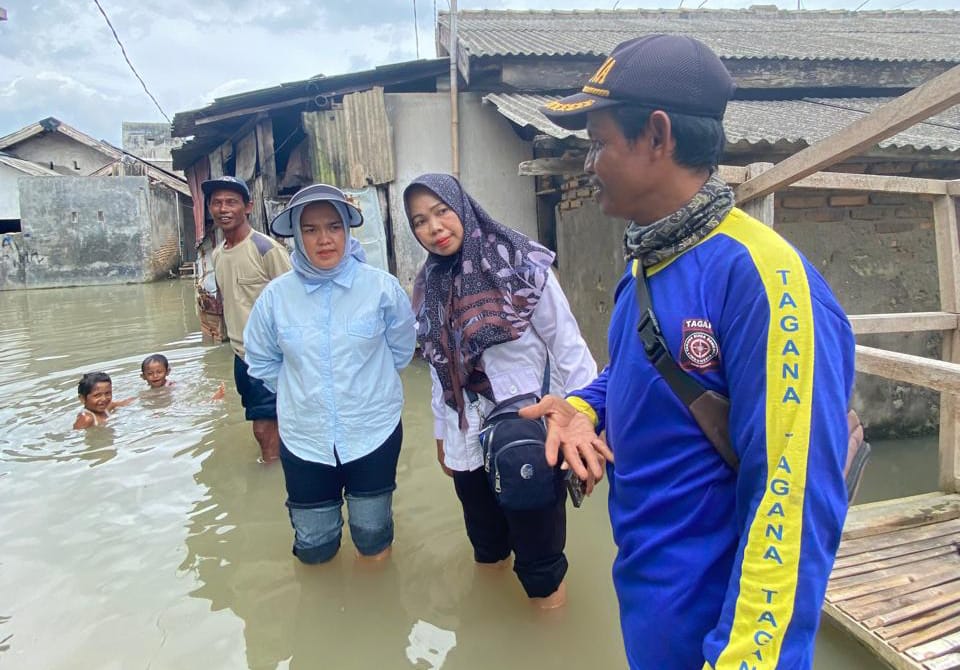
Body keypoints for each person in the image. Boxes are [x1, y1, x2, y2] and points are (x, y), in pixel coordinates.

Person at [526, 34, 856, 668]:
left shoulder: (764, 281)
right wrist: (583, 407)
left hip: (721, 640)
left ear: (657, 135)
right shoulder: (649, 263)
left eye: (598, 142)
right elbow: (630, 373)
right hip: (654, 609)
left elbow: (791, 504)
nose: (588, 164)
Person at [404, 173, 598, 609]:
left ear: (463, 208)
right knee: (487, 549)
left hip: (527, 431)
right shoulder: (428, 287)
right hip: (466, 435)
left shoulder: (522, 266)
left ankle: (548, 643)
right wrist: (442, 436)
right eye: (419, 221)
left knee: (540, 567)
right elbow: (440, 368)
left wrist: (585, 422)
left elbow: (570, 349)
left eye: (441, 212)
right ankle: (488, 630)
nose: (433, 228)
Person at [244, 184, 416, 564]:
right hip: (304, 437)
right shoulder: (275, 297)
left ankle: (372, 611)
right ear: (296, 236)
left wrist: (365, 390)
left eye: (333, 227)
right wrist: (301, 393)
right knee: (314, 545)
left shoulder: (381, 289)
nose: (324, 239)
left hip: (373, 430)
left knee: (372, 537)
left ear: (347, 230)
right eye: (310, 229)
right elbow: (261, 360)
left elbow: (401, 350)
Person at [201, 175, 291, 463]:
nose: (223, 209)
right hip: (241, 354)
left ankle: (268, 478)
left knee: (265, 428)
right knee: (266, 422)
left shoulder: (266, 249)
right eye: (216, 203)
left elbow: (294, 301)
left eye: (231, 202)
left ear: (248, 207)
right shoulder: (218, 255)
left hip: (271, 355)